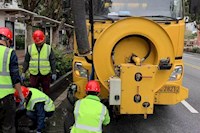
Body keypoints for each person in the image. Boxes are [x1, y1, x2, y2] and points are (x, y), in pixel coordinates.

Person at [0, 27, 24, 133]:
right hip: (6, 98)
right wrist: (21, 94)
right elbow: (15, 77)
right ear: (8, 40)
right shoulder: (9, 53)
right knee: (8, 126)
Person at [21, 30, 56, 95]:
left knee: (46, 91)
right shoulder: (30, 48)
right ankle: (36, 103)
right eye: (37, 42)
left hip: (45, 74)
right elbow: (26, 61)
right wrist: (23, 72)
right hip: (34, 74)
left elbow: (52, 61)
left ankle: (46, 103)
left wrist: (54, 72)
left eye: (40, 42)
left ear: (43, 39)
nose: (39, 43)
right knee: (34, 92)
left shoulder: (48, 48)